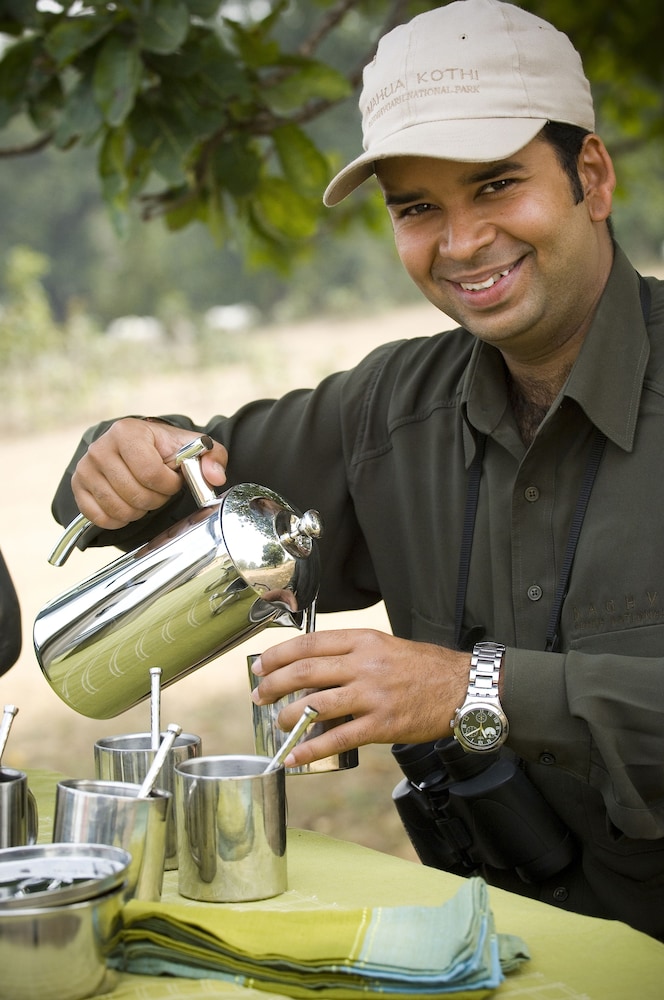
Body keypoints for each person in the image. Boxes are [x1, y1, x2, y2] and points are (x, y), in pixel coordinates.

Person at [51, 0, 664, 940]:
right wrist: (123, 452)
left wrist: (474, 690)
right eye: (418, 208)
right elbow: (176, 482)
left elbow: (474, 690)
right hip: (497, 949)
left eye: (497, 186)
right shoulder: (388, 409)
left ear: (591, 176)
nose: (460, 244)